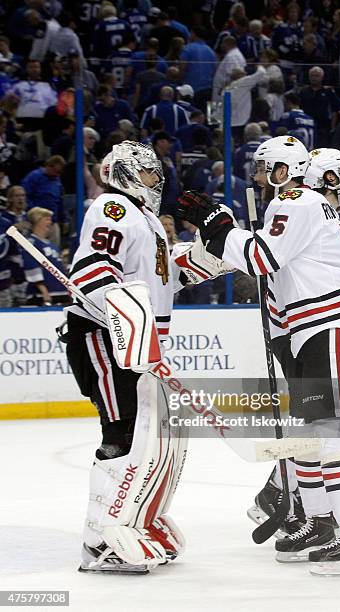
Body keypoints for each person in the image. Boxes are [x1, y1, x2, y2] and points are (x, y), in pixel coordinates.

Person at [176, 135, 340, 575]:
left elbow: (262, 258)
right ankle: (320, 521)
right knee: (312, 429)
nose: (260, 179)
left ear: (284, 171)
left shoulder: (293, 200)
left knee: (330, 429)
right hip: (311, 330)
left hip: (330, 325)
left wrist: (217, 223)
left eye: (265, 169)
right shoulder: (314, 211)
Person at [64, 141, 188, 573]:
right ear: (127, 173)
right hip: (103, 336)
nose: (158, 181)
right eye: (151, 173)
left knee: (150, 439)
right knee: (122, 434)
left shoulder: (147, 218)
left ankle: (136, 521)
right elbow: (95, 268)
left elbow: (164, 278)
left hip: (136, 346)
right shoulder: (112, 207)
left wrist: (211, 256)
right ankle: (99, 541)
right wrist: (120, 318)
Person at [22, 207, 69, 306]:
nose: (51, 222)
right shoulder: (31, 243)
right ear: (38, 220)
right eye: (47, 219)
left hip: (61, 293)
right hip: (42, 296)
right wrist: (43, 291)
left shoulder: (53, 245)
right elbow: (31, 266)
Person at [22, 155, 67, 246]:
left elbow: (60, 201)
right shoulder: (34, 176)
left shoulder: (57, 180)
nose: (58, 174)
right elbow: (25, 196)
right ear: (49, 166)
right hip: (35, 221)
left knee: (53, 249)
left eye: (60, 172)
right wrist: (33, 214)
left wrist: (64, 220)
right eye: (56, 171)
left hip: (52, 222)